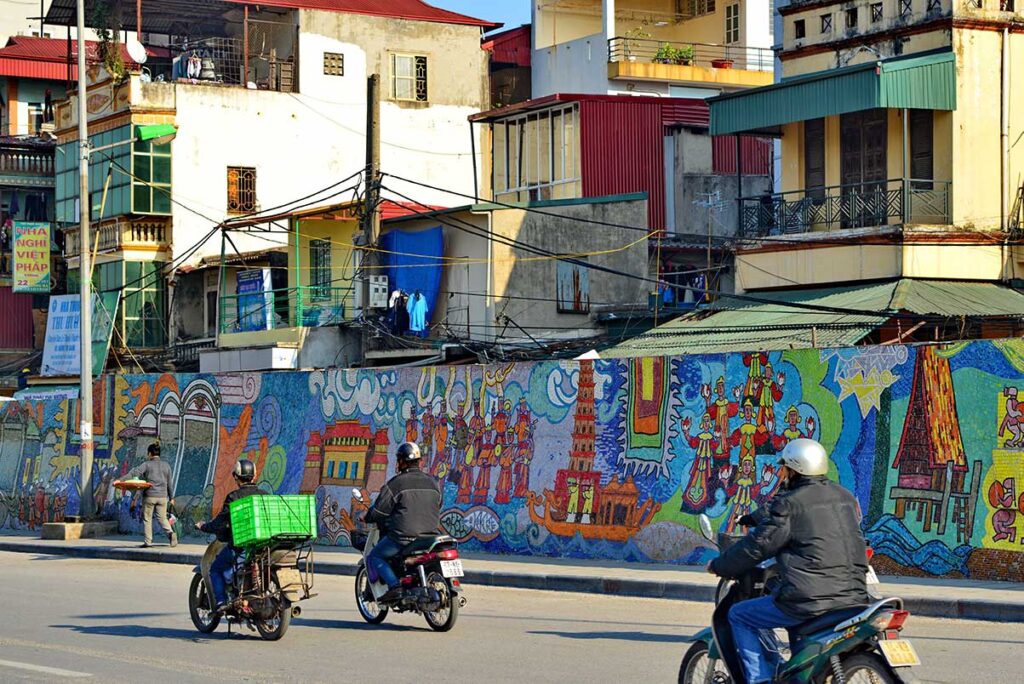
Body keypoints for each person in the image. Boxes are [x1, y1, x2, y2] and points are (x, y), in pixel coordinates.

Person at [707, 439, 869, 684]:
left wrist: (720, 565)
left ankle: (759, 679)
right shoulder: (844, 496)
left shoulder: (790, 502)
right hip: (854, 596)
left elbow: (758, 546)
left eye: (784, 468)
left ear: (794, 469)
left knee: (739, 614)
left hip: (809, 600)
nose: (782, 473)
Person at [364, 441, 442, 603]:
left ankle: (394, 587)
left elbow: (379, 510)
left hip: (403, 537)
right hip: (430, 537)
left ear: (401, 461)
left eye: (398, 460)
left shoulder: (396, 484)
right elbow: (439, 504)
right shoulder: (433, 482)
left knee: (375, 556)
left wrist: (368, 517)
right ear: (419, 462)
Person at [194, 459, 267, 612]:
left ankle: (221, 602)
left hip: (241, 546)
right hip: (264, 546)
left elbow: (220, 522)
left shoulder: (234, 497)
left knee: (215, 569)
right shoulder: (264, 495)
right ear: (254, 476)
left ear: (236, 477)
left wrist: (204, 526)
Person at [125, 443, 177, 548]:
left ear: (150, 453)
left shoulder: (146, 464)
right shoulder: (166, 465)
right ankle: (171, 534)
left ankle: (148, 542)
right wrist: (171, 498)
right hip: (163, 497)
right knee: (162, 518)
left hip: (149, 496)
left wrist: (122, 480)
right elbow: (169, 484)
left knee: (147, 518)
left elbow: (136, 473)